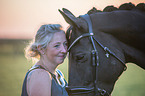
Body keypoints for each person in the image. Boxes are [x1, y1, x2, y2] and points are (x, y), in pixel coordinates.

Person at [21, 24, 68, 96]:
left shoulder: (58, 74)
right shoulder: (40, 75)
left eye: (65, 44)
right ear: (41, 49)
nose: (64, 50)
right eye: (57, 46)